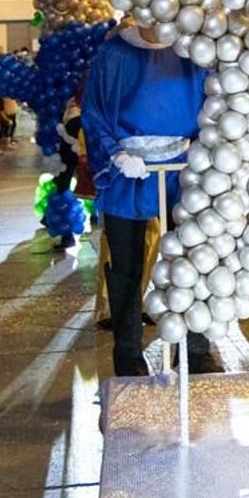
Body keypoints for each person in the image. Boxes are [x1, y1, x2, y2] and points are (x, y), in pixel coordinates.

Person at [81, 21, 208, 377]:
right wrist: (115, 154)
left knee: (192, 256)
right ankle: (127, 351)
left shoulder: (191, 50)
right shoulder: (114, 53)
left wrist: (203, 149)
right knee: (127, 264)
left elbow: (213, 105)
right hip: (128, 171)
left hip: (184, 169)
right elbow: (94, 112)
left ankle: (196, 347)